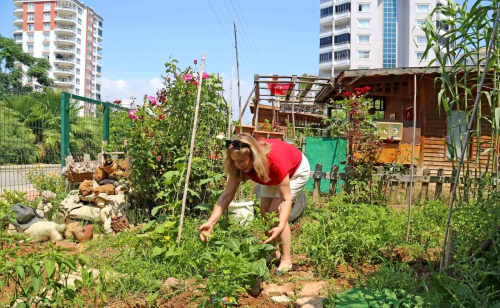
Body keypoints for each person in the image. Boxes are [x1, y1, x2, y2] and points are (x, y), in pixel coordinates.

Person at [197, 133, 310, 274]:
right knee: (264, 210)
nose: (238, 165)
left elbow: (286, 199)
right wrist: (211, 223)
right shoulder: (237, 166)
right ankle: (273, 251)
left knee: (276, 212)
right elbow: (226, 196)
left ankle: (286, 260)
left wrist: (280, 226)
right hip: (267, 172)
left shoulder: (275, 162)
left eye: (242, 160)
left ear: (253, 155)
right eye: (234, 161)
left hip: (295, 170)